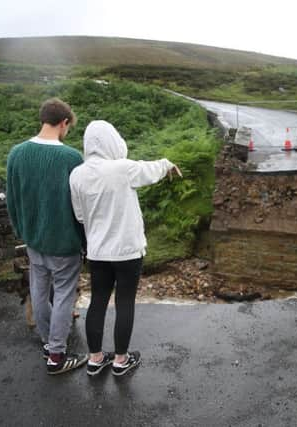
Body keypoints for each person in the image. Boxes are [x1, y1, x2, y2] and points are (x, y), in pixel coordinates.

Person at [69, 120, 182, 377]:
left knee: (98, 300)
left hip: (97, 251)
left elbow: (79, 216)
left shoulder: (77, 174)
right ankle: (121, 360)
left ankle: (95, 359)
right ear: (112, 140)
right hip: (127, 251)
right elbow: (150, 169)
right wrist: (167, 164)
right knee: (124, 301)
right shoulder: (122, 168)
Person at [6, 98, 88, 375]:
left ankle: (47, 342)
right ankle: (56, 355)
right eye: (68, 126)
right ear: (64, 122)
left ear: (43, 119)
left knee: (39, 291)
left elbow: (12, 201)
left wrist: (23, 231)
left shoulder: (16, 153)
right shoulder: (71, 158)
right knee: (64, 295)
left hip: (33, 240)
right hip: (64, 242)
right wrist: (84, 241)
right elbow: (80, 206)